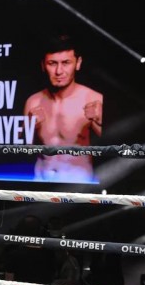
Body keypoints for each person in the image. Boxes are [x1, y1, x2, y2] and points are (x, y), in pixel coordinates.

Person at [23, 33, 103, 183]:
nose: (59, 71)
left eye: (66, 63)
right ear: (43, 65)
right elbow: (24, 150)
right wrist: (30, 126)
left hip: (78, 184)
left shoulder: (93, 99)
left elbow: (115, 144)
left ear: (78, 63)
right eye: (52, 63)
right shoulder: (33, 101)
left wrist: (99, 122)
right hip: (41, 183)